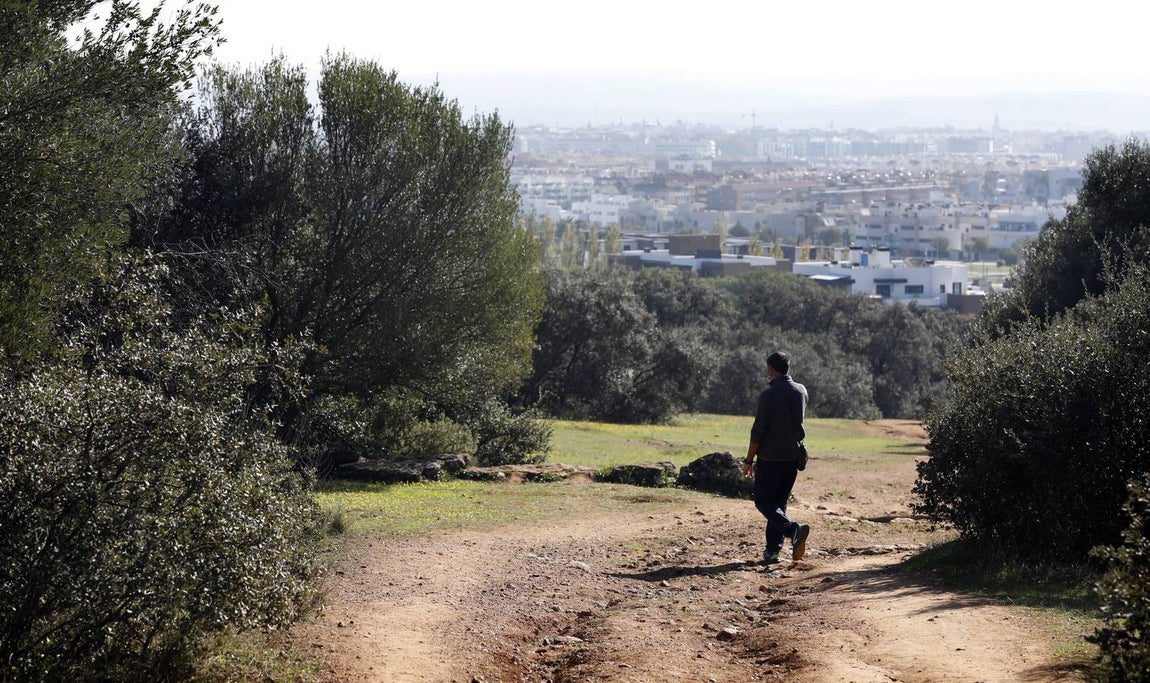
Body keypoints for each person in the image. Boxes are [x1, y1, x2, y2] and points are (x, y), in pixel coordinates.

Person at [742, 351, 810, 565]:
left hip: (770, 457)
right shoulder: (801, 391)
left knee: (763, 501)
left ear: (771, 369)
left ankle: (792, 530)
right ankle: (772, 551)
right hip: (793, 456)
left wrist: (748, 460)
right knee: (779, 504)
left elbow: (758, 430)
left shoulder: (768, 395)